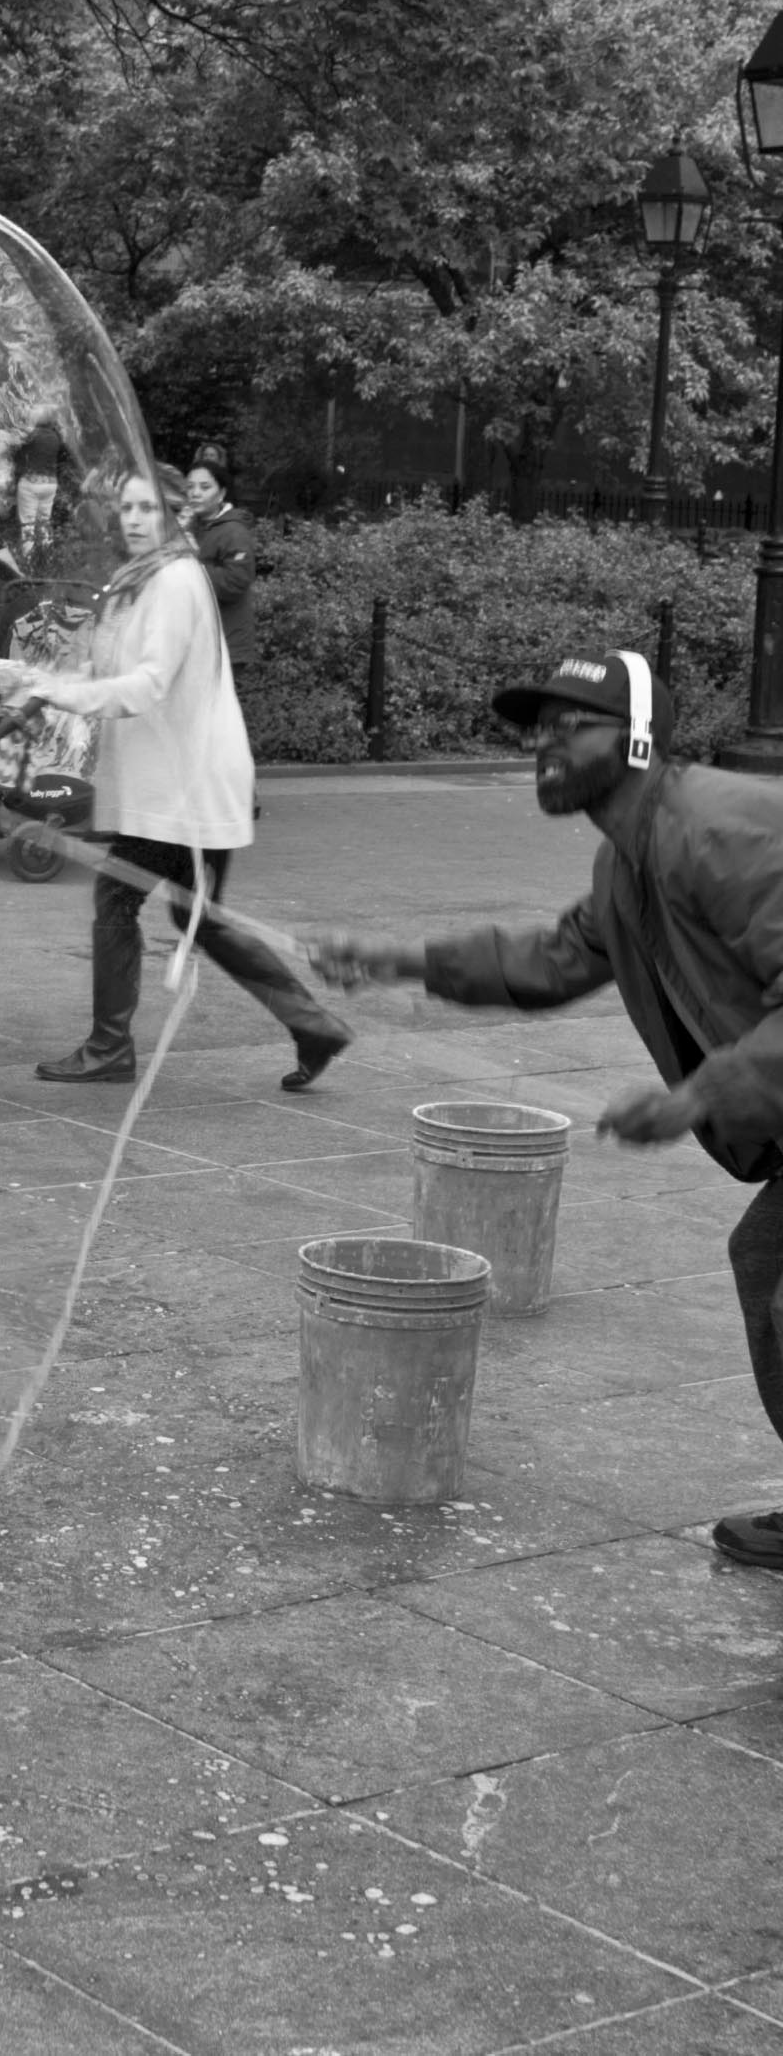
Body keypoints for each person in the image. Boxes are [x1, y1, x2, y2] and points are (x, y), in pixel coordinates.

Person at [308, 649, 783, 1572]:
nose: (546, 745)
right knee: (761, 1257)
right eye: (539, 729)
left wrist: (697, 1096)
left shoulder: (723, 830)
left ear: (640, 739)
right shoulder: (628, 861)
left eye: (575, 726)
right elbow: (552, 959)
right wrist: (398, 957)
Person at [0, 462, 352, 1090]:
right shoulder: (143, 581)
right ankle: (313, 1026)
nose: (132, 520)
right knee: (201, 921)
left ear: (174, 515)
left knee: (117, 900)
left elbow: (145, 685)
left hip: (184, 790)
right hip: (185, 786)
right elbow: (101, 668)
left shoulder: (175, 582)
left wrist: (57, 692)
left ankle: (110, 1046)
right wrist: (25, 679)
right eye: (125, 508)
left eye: (146, 509)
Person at [182, 444, 256, 682]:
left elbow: (234, 583)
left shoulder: (234, 531)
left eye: (205, 487)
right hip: (196, 643)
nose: (195, 493)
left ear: (222, 493)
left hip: (226, 647)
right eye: (190, 487)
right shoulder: (191, 527)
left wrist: (192, 561)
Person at [11, 407, 68, 553]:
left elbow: (16, 451)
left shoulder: (32, 435)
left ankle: (28, 561)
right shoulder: (56, 437)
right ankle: (47, 558)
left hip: (31, 483)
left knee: (28, 524)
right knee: (44, 522)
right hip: (50, 484)